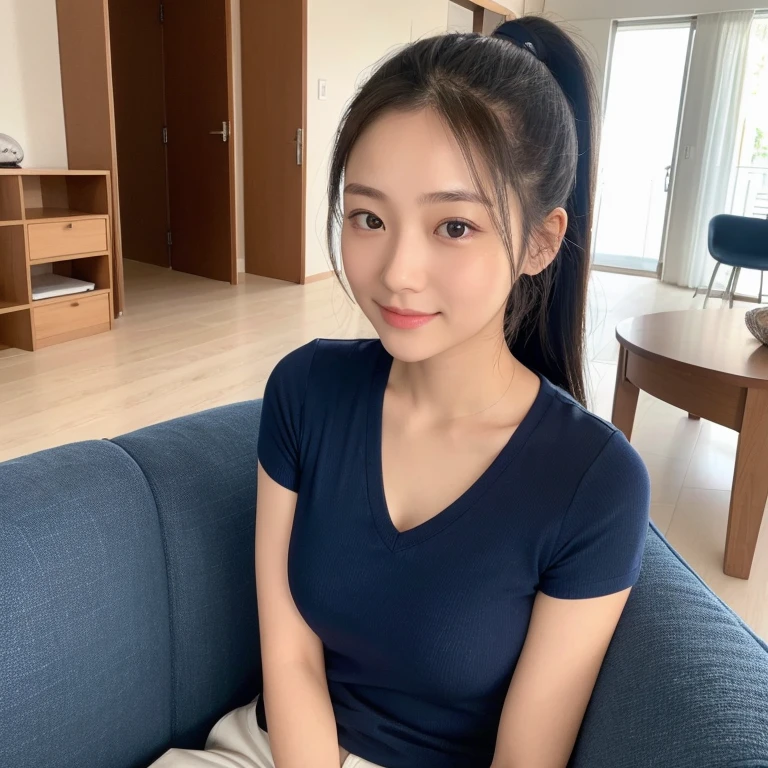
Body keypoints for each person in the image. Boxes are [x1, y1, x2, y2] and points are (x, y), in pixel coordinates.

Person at [151, 16, 650, 768]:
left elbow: (525, 758)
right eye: (368, 217)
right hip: (275, 749)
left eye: (453, 225)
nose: (397, 272)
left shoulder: (595, 483)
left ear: (541, 243)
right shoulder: (306, 392)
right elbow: (289, 658)